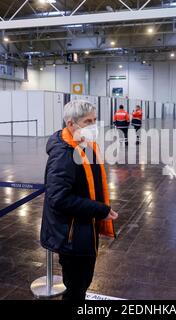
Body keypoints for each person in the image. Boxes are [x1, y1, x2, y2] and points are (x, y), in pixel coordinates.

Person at [41, 100, 118, 300]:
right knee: (76, 288)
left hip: (84, 229)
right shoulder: (63, 155)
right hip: (71, 235)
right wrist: (99, 209)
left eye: (94, 120)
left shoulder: (84, 145)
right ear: (70, 124)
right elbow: (59, 198)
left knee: (82, 283)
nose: (94, 125)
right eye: (87, 121)